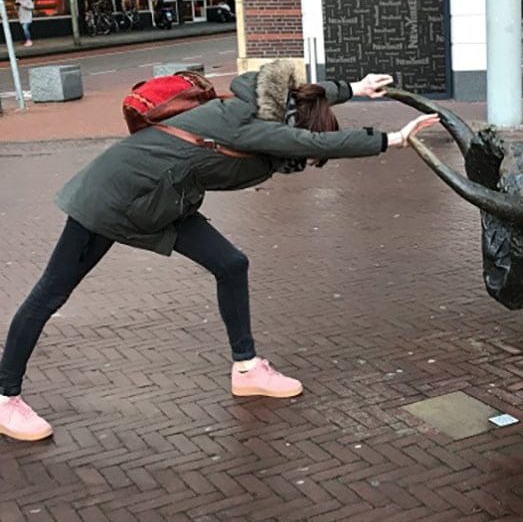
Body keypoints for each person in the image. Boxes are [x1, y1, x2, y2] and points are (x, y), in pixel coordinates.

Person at [0, 60, 438, 441]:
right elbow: (314, 143)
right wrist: (393, 140)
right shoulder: (256, 127)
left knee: (231, 264)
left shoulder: (264, 104)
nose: (304, 161)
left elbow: (305, 98)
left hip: (163, 199)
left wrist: (355, 88)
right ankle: (5, 398)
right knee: (51, 292)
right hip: (114, 195)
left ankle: (246, 368)